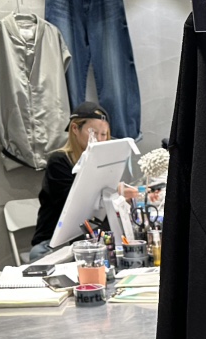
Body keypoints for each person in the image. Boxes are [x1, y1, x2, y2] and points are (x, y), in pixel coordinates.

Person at [29, 101, 137, 261]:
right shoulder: (59, 162)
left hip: (91, 241)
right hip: (53, 246)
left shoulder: (103, 164)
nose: (99, 139)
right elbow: (78, 205)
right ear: (75, 128)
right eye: (93, 132)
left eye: (103, 134)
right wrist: (115, 192)